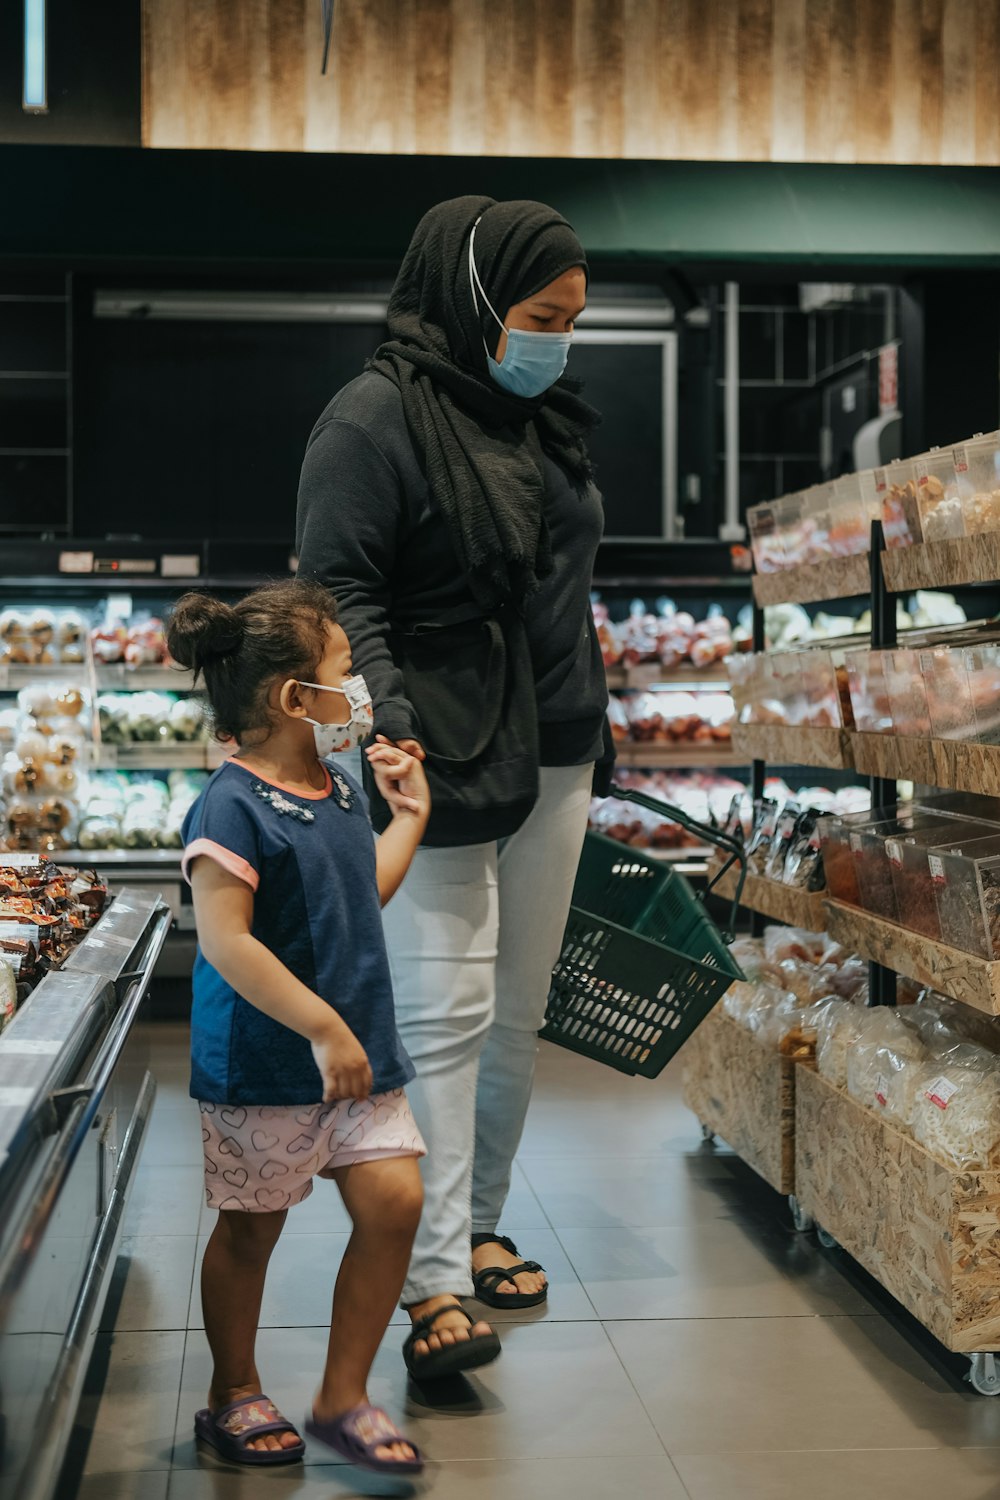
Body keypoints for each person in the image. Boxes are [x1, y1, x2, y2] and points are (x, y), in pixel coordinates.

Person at [296, 195, 612, 1381]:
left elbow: (563, 584)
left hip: (560, 739)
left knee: (517, 1014)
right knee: (440, 1015)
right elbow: (339, 587)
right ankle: (427, 1285)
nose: (557, 343)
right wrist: (388, 724)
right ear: (476, 302)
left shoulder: (546, 414)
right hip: (430, 750)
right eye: (539, 317)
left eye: (573, 321)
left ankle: (475, 1224)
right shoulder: (372, 421)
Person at [168, 581, 430, 1474]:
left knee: (396, 1202)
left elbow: (365, 893)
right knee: (253, 1230)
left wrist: (411, 819)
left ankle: (342, 1399)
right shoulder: (228, 807)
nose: (359, 693)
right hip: (269, 1061)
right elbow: (225, 941)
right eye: (345, 674)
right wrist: (321, 1027)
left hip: (357, 1053)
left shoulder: (342, 785)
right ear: (293, 699)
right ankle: (233, 1389)